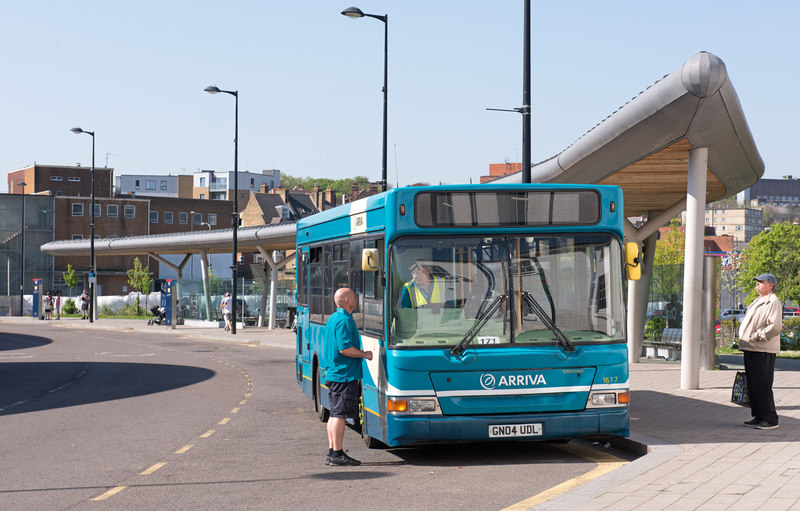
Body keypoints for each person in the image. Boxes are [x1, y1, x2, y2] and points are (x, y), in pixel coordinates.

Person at [322, 287, 373, 466]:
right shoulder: (344, 321)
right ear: (347, 301)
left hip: (335, 373)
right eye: (353, 296)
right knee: (339, 415)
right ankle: (337, 454)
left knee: (334, 413)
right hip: (343, 375)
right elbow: (345, 349)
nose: (357, 299)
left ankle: (332, 451)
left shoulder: (334, 318)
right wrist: (364, 354)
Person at [738, 273, 782, 430]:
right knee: (754, 384)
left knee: (762, 384)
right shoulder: (758, 301)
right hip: (751, 347)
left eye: (760, 282)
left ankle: (770, 419)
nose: (757, 284)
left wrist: (756, 336)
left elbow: (775, 327)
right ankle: (759, 416)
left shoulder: (773, 301)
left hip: (762, 349)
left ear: (770, 285)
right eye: (756, 281)